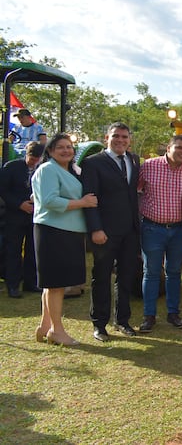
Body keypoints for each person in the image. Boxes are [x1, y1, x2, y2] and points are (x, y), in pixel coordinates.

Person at [31, 133, 98, 345]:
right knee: (56, 284)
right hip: (53, 230)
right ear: (50, 150)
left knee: (52, 284)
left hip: (68, 231)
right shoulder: (48, 169)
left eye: (69, 147)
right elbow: (49, 200)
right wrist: (82, 203)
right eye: (61, 147)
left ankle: (45, 325)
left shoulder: (68, 170)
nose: (66, 150)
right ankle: (56, 330)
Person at [81, 123, 141, 341]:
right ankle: (99, 324)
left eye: (125, 137)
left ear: (129, 140)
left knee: (126, 277)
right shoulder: (93, 163)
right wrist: (96, 228)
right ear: (107, 137)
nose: (120, 140)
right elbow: (90, 198)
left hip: (130, 231)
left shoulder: (134, 160)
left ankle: (123, 320)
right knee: (102, 277)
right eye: (116, 136)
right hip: (105, 232)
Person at [138, 135, 182, 332]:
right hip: (153, 228)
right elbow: (135, 192)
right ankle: (149, 316)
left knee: (174, 273)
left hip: (179, 229)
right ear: (169, 148)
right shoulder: (149, 166)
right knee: (152, 272)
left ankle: (173, 314)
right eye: (179, 147)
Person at [0, 141, 44, 298]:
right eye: (32, 158)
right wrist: (19, 204)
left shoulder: (43, 169)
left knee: (33, 249)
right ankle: (12, 284)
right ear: (27, 154)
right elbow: (3, 190)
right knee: (14, 250)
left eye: (37, 159)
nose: (34, 162)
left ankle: (30, 282)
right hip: (15, 215)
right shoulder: (11, 167)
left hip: (34, 215)